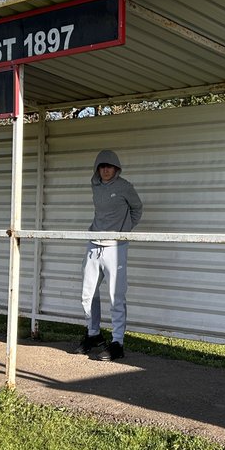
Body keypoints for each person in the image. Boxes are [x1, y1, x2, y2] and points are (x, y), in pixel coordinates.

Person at [75, 150, 142, 361]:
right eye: (102, 166)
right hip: (94, 244)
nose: (106, 170)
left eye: (110, 167)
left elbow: (137, 209)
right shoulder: (95, 185)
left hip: (115, 247)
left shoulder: (125, 187)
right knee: (88, 294)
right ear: (98, 168)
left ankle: (117, 342)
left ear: (116, 168)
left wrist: (124, 231)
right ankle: (93, 334)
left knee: (116, 296)